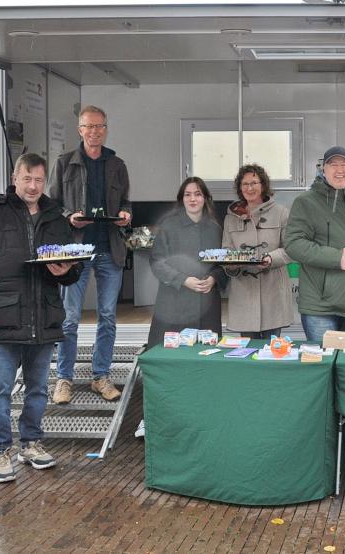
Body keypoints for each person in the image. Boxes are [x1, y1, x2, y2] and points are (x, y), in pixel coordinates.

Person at [0, 153, 80, 483]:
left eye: (39, 180)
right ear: (15, 178)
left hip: (44, 317)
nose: (33, 185)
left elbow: (72, 268)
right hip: (1, 319)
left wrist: (66, 269)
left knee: (38, 389)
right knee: (0, 391)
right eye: (27, 178)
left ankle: (31, 444)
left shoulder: (56, 217)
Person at [48, 105, 132, 405]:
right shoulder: (64, 163)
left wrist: (125, 214)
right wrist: (70, 217)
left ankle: (100, 376)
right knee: (70, 318)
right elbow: (51, 206)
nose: (94, 131)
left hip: (110, 248)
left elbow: (126, 202)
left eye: (100, 126)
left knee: (107, 317)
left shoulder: (117, 163)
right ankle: (64, 379)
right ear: (80, 130)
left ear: (106, 129)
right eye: (89, 126)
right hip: (76, 251)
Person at [284, 146, 345, 342]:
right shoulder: (306, 202)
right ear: (323, 169)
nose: (340, 170)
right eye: (333, 165)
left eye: (344, 164)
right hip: (320, 308)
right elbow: (293, 243)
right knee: (324, 366)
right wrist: (336, 258)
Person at [147, 177, 226, 347]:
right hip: (174, 300)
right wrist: (183, 280)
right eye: (187, 194)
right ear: (181, 199)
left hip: (207, 303)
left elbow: (223, 264)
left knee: (206, 352)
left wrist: (213, 278)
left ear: (205, 198)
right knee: (173, 354)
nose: (192, 199)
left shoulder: (215, 228)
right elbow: (156, 262)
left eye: (198, 194)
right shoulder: (168, 226)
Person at [222, 164, 293, 339]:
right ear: (240, 188)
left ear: (263, 185)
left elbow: (291, 248)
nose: (250, 188)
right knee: (247, 354)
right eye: (245, 184)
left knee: (274, 353)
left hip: (273, 292)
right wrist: (230, 265)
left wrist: (271, 258)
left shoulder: (281, 213)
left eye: (254, 182)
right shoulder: (231, 217)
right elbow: (227, 250)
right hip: (243, 294)